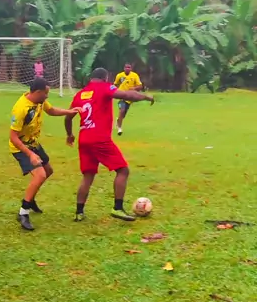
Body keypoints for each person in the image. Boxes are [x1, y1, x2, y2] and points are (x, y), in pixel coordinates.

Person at [65, 68, 154, 222]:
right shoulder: (105, 87)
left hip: (84, 139)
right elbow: (127, 95)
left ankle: (79, 212)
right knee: (123, 170)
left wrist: (69, 134)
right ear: (105, 78)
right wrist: (145, 96)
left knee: (88, 176)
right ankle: (117, 208)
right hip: (99, 139)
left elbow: (68, 117)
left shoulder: (80, 94)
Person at [10, 77, 81, 231]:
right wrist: (30, 154)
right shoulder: (21, 108)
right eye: (46, 93)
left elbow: (51, 110)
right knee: (40, 175)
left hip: (33, 143)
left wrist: (70, 111)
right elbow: (13, 137)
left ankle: (30, 199)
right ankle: (23, 212)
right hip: (21, 147)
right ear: (37, 92)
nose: (47, 96)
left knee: (48, 171)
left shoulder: (39, 101)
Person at [114, 62, 142, 135]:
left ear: (131, 69)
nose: (127, 68)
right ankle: (119, 128)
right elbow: (115, 84)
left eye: (129, 67)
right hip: (121, 96)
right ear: (124, 68)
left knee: (123, 114)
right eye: (126, 67)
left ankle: (118, 120)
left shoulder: (134, 75)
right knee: (122, 110)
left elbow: (140, 86)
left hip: (129, 97)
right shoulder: (119, 75)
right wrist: (115, 92)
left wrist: (134, 88)